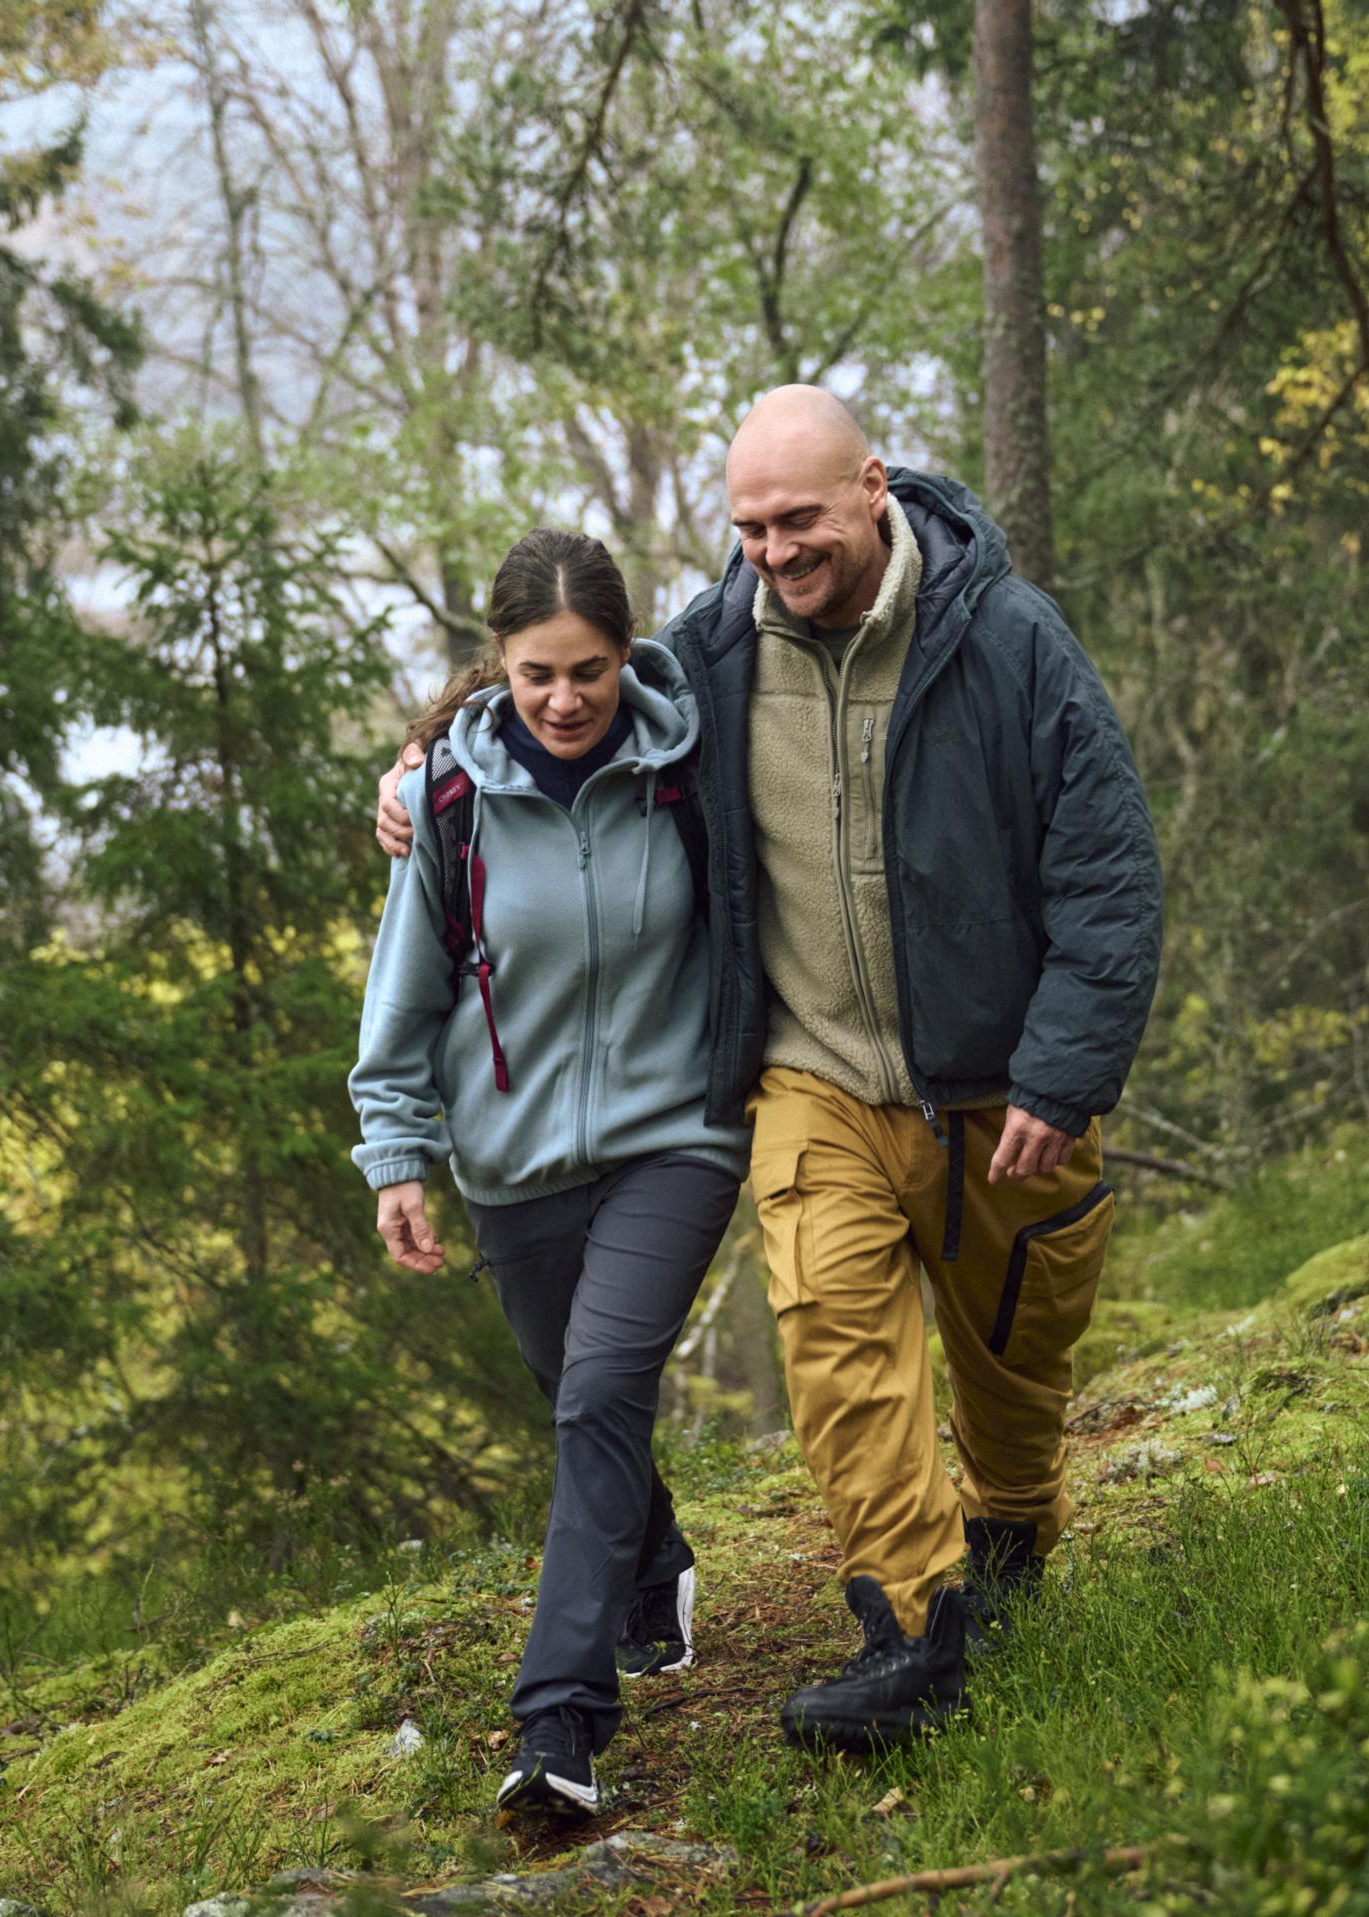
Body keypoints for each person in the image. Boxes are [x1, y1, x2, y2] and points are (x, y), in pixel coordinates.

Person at [383, 389, 1165, 1754]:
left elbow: (1107, 870)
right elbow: (566, 679)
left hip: (1000, 1089)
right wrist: (420, 755)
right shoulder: (715, 653)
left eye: (797, 519)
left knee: (1013, 1373)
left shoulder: (1010, 642)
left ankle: (1015, 1544)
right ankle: (920, 1636)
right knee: (836, 1343)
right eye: (747, 526)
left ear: (875, 489)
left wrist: (1063, 1069)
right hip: (813, 1074)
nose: (773, 550)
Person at [350, 529, 744, 1820]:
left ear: (626, 654)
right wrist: (397, 1151)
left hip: (674, 1136)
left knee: (600, 1392)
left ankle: (559, 1727)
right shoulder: (454, 802)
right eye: (537, 676)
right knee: (576, 1393)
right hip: (512, 1167)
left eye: (588, 670)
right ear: (498, 668)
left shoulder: (687, 765)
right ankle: (652, 1565)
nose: (566, 699)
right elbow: (405, 994)